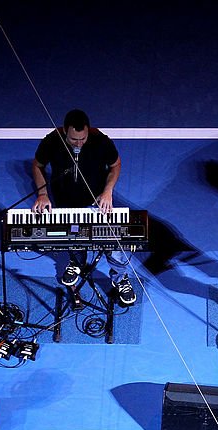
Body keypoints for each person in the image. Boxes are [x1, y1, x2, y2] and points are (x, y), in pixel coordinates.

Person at [31, 109, 135, 306]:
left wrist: (108, 191)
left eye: (82, 139)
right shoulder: (52, 141)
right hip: (65, 202)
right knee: (74, 237)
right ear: (64, 131)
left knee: (112, 242)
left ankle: (120, 278)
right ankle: (77, 263)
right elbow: (37, 165)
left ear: (88, 131)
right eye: (73, 139)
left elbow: (116, 164)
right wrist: (42, 194)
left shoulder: (101, 141)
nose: (78, 143)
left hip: (97, 200)